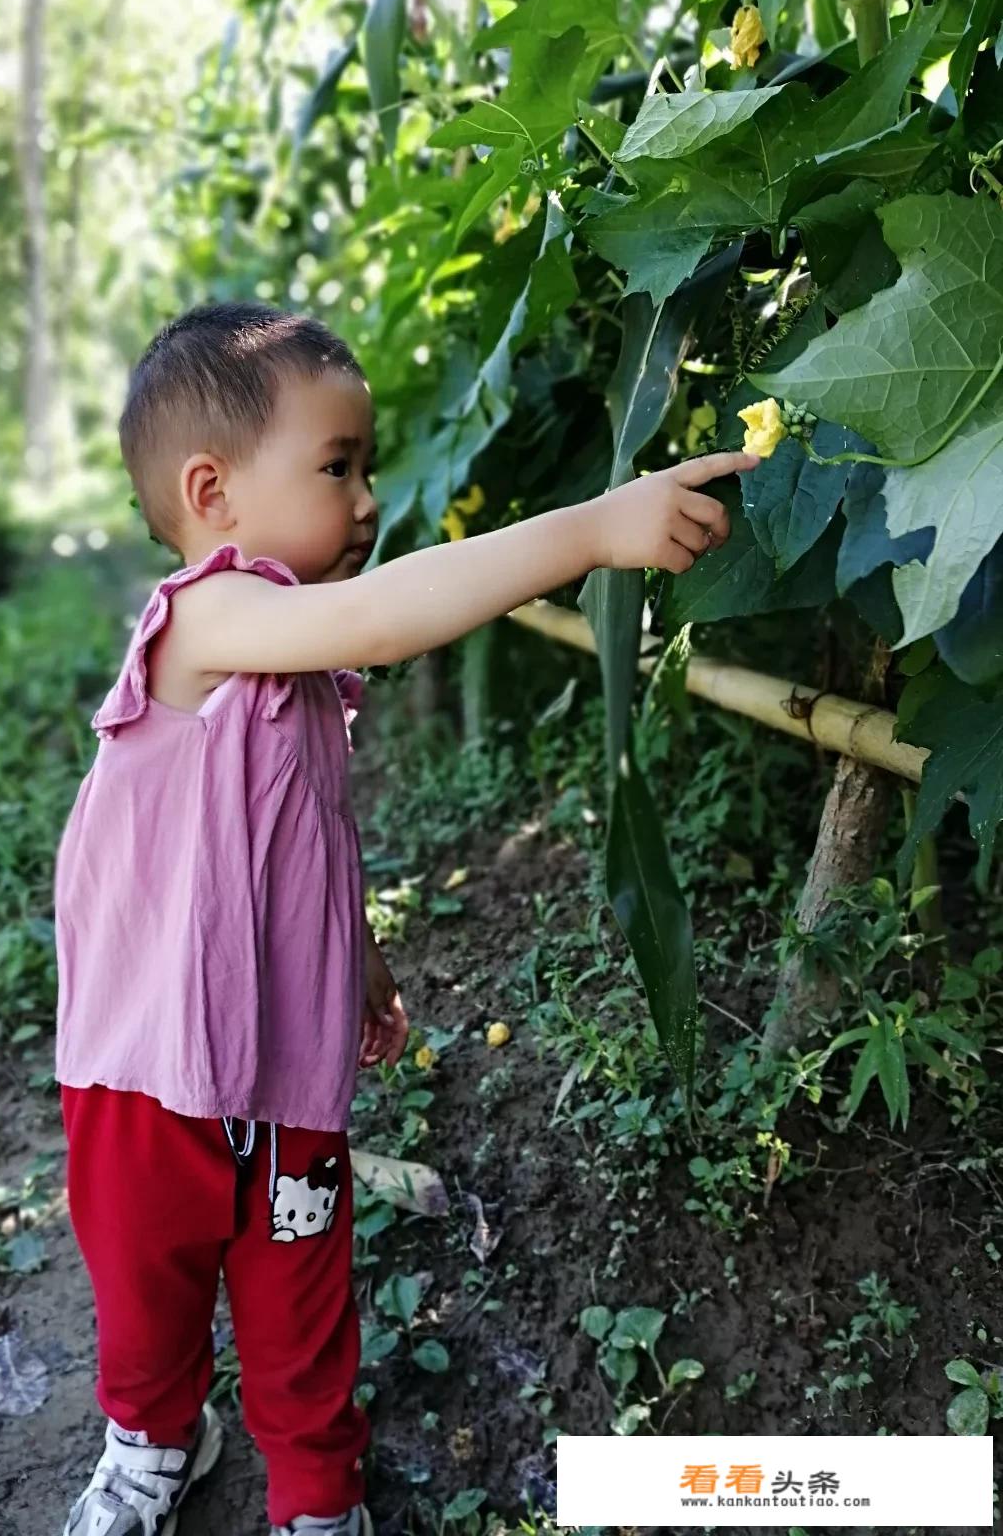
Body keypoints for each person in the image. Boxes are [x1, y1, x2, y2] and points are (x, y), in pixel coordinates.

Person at [53, 301, 757, 1536]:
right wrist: (592, 530)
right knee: (145, 1291)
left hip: (279, 1073)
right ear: (211, 494)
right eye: (338, 466)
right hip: (143, 1074)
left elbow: (297, 835)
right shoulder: (211, 618)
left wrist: (362, 960)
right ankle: (153, 1442)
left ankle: (319, 1494)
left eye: (365, 465)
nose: (369, 497)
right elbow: (386, 612)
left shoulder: (294, 666)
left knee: (301, 1300)